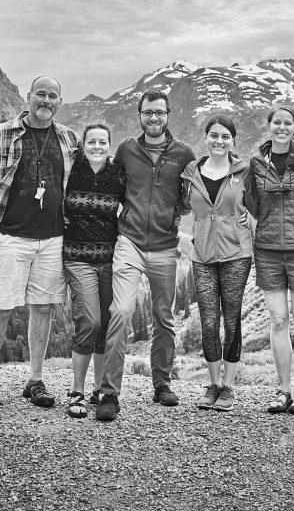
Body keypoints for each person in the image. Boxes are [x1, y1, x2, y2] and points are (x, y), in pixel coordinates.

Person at [0, 75, 79, 413]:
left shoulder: (67, 138)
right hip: (12, 236)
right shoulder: (1, 135)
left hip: (52, 238)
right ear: (28, 97)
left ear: (60, 102)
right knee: (0, 307)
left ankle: (35, 380)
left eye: (53, 96)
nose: (46, 101)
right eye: (41, 94)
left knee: (43, 308)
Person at [94, 89, 196, 422]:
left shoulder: (183, 154)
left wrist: (176, 219)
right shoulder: (126, 150)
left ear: (169, 115)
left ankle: (162, 384)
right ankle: (109, 393)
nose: (154, 118)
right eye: (148, 112)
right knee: (121, 311)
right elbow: (113, 187)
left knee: (164, 318)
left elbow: (188, 198)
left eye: (160, 113)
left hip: (166, 247)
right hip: (130, 242)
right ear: (140, 115)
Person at [245, 105, 294, 415]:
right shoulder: (256, 163)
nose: (281, 127)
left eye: (287, 123)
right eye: (276, 122)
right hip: (267, 251)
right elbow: (250, 205)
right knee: (278, 321)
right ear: (269, 126)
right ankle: (283, 390)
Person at [181, 115, 253, 412]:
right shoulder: (191, 174)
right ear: (206, 137)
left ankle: (229, 387)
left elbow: (261, 205)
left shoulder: (244, 172)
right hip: (203, 255)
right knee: (209, 321)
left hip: (236, 253)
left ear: (233, 140)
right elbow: (182, 206)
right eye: (214, 135)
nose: (219, 140)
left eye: (225, 136)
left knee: (231, 318)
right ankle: (212, 385)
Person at [62, 123, 125, 418]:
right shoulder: (71, 169)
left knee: (106, 324)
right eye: (92, 142)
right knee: (89, 320)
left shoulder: (118, 174)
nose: (97, 146)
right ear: (83, 144)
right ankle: (76, 390)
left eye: (102, 142)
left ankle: (99, 389)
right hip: (77, 257)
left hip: (110, 258)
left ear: (109, 145)